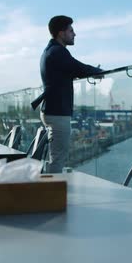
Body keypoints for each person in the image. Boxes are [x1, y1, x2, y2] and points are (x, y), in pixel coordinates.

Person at [32, 15, 103, 173]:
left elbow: (73, 69)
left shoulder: (51, 51)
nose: (74, 34)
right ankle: (51, 194)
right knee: (58, 157)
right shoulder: (58, 52)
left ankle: (48, 189)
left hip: (52, 110)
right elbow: (78, 67)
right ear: (61, 33)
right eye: (71, 30)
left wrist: (91, 71)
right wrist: (98, 71)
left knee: (56, 155)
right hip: (57, 113)